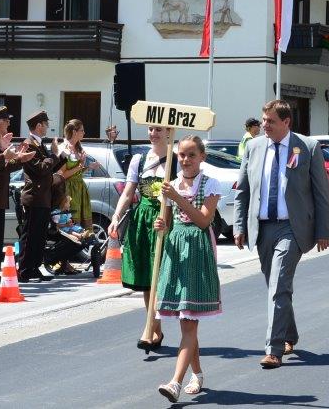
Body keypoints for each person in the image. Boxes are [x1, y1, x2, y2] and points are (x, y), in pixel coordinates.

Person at [234, 99, 329, 370]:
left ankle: (273, 349)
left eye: (271, 121)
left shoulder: (307, 147)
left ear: (286, 122)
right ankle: (290, 333)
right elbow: (243, 190)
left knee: (278, 285)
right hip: (263, 228)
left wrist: (324, 230)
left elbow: (321, 192)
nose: (264, 125)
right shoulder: (253, 147)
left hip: (292, 228)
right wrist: (239, 226)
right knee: (276, 287)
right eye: (263, 120)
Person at [154, 136, 224, 403]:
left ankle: (175, 382)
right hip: (176, 252)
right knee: (186, 320)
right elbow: (167, 223)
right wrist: (161, 225)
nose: (185, 160)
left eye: (191, 155)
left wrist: (177, 198)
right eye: (182, 155)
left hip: (198, 251)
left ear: (202, 157)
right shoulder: (170, 185)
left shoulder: (210, 184)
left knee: (189, 321)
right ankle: (198, 374)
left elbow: (204, 220)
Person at [108, 125, 175, 350]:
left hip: (167, 219)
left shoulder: (176, 159)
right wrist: (116, 216)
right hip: (143, 219)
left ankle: (151, 327)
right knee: (147, 277)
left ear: (169, 131)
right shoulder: (140, 159)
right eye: (151, 129)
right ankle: (154, 328)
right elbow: (128, 193)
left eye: (159, 129)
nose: (153, 133)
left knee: (161, 276)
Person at [0, 107, 33, 286]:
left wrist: (19, 159)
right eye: (6, 120)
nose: (9, 123)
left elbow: (4, 165)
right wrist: (11, 156)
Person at [19, 111, 66, 283]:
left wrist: (61, 156)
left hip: (44, 196)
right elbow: (40, 169)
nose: (47, 127)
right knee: (29, 235)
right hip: (34, 196)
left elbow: (50, 168)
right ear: (39, 125)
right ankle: (24, 268)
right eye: (46, 124)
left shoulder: (39, 144)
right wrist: (53, 155)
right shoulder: (28, 145)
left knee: (39, 236)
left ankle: (34, 267)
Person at [58, 119, 93, 274]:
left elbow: (77, 171)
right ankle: (64, 262)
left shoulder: (78, 148)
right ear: (74, 132)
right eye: (82, 130)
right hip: (68, 190)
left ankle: (67, 260)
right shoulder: (64, 149)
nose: (84, 133)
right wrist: (80, 165)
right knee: (68, 224)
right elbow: (62, 174)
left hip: (79, 188)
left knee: (79, 226)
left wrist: (86, 166)